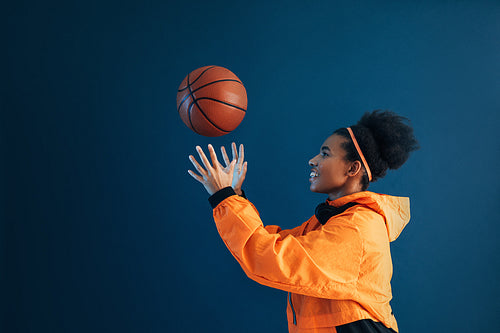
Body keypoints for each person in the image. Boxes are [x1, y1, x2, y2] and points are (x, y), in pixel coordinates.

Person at [187, 110, 419, 333]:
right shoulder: (335, 221)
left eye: (325, 154)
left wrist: (224, 197)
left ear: (352, 168)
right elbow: (273, 242)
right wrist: (235, 196)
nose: (312, 160)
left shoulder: (357, 229)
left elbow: (270, 258)